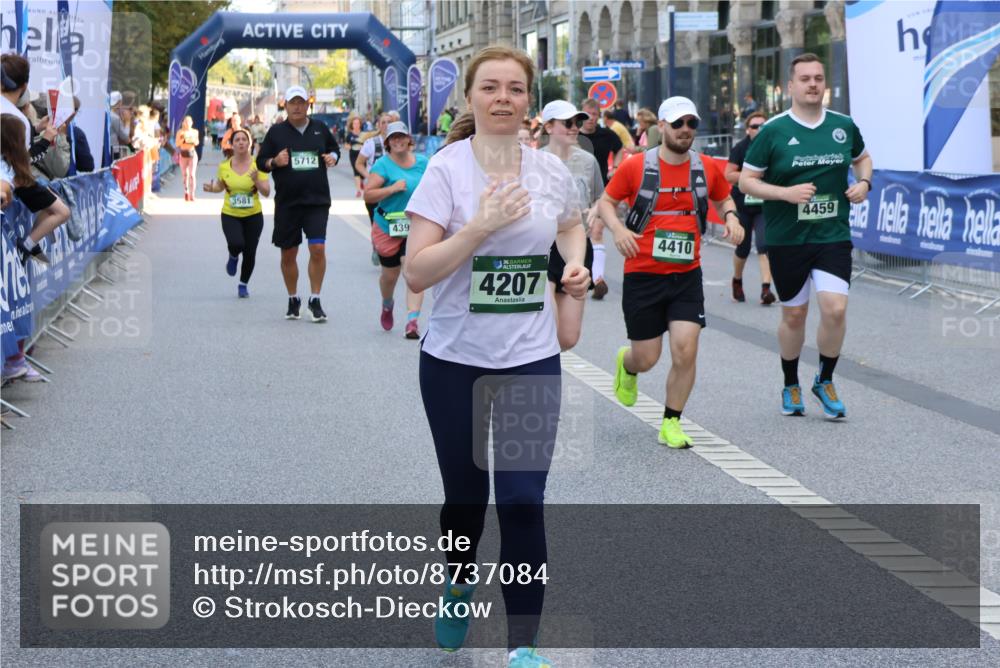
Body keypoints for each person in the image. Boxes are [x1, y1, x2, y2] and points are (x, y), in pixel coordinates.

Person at [403, 46, 588, 668]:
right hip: (454, 361)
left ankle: (523, 648)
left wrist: (575, 268)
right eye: (491, 87)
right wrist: (478, 227)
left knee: (521, 500)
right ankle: (458, 581)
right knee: (465, 497)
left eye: (514, 87)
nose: (503, 97)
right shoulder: (445, 171)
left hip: (530, 359)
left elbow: (569, 225)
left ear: (528, 100)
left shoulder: (551, 172)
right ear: (471, 99)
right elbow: (417, 273)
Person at [597, 96, 743, 448]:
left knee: (685, 349)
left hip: (685, 275)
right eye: (677, 124)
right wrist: (618, 230)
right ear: (660, 126)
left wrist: (731, 217)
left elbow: (723, 197)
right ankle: (628, 365)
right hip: (643, 274)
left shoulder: (706, 166)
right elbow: (605, 203)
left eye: (691, 123)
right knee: (648, 357)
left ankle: (671, 423)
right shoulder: (636, 167)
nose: (685, 130)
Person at [739, 53, 872, 420]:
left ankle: (825, 379)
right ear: (791, 86)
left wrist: (864, 183)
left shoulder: (843, 125)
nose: (813, 84)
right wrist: (785, 194)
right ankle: (790, 382)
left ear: (824, 84)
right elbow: (746, 180)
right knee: (794, 315)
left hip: (832, 235)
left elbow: (862, 159)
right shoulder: (774, 131)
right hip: (787, 238)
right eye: (805, 78)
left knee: (835, 308)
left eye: (818, 78)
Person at [256, 85, 340, 322]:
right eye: (292, 102)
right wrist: (275, 161)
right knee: (288, 254)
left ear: (307, 104)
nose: (296, 106)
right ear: (285, 105)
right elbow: (261, 161)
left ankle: (315, 299)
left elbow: (334, 149)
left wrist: (332, 157)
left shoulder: (320, 129)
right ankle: (293, 298)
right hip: (288, 203)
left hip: (317, 201)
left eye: (301, 102)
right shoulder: (276, 132)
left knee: (318, 248)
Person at [0, 114, 70, 382]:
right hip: (12, 239)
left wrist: (44, 139)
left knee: (16, 302)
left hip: (13, 237)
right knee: (61, 211)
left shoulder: (15, 163)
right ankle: (27, 244)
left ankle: (16, 358)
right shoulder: (10, 168)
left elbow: (28, 157)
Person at [540, 99, 605, 349]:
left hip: (577, 247)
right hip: (543, 248)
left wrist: (596, 211)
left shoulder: (588, 161)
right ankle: (537, 381)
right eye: (567, 123)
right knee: (547, 327)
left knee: (567, 337)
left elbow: (601, 196)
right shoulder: (535, 161)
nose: (574, 127)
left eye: (577, 122)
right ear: (548, 127)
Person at [363, 121, 428, 338]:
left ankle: (412, 321)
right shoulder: (383, 165)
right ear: (388, 142)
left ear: (409, 139)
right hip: (387, 226)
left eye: (401, 136)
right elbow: (368, 195)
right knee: (389, 276)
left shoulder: (423, 163)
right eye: (393, 138)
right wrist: (392, 188)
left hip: (415, 226)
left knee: (412, 271)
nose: (398, 141)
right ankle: (387, 304)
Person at [203, 128, 270, 298]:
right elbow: (221, 185)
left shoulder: (258, 165)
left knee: (250, 251)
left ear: (249, 143)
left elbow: (267, 192)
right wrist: (212, 189)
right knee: (236, 243)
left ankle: (243, 284)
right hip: (230, 213)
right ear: (231, 145)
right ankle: (233, 256)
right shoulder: (224, 166)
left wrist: (256, 179)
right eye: (237, 140)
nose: (240, 142)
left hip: (253, 215)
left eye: (244, 139)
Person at [726, 110, 775, 304]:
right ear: (748, 130)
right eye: (755, 126)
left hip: (764, 204)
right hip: (742, 204)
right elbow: (728, 174)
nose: (760, 129)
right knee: (743, 248)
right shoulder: (740, 148)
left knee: (764, 245)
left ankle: (766, 289)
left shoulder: (773, 147)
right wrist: (750, 177)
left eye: (763, 125)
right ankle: (737, 280)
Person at [577, 98, 622, 299]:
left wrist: (616, 168)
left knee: (596, 231)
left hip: (602, 192)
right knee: (577, 233)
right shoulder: (574, 135)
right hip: (576, 192)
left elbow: (620, 149)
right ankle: (576, 272)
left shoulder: (607, 135)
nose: (591, 119)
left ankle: (598, 280)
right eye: (588, 115)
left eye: (595, 115)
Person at [356, 113, 392, 265]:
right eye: (383, 122)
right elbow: (359, 163)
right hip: (375, 191)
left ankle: (394, 250)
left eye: (389, 122)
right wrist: (369, 176)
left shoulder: (400, 142)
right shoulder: (371, 143)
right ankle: (377, 247)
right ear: (378, 125)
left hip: (394, 191)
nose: (386, 125)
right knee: (377, 222)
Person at [175, 115, 200, 201]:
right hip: (183, 155)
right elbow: (177, 144)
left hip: (192, 154)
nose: (187, 123)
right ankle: (186, 191)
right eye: (186, 121)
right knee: (185, 175)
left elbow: (197, 142)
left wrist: (192, 140)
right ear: (183, 123)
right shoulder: (180, 132)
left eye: (189, 121)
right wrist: (183, 139)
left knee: (192, 175)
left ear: (192, 123)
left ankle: (192, 194)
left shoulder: (195, 131)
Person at [345, 115, 365, 197]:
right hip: (353, 155)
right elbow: (346, 145)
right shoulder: (349, 135)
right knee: (356, 171)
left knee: (362, 172)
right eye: (354, 124)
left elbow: (368, 143)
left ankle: (362, 181)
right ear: (352, 125)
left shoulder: (363, 134)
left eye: (357, 123)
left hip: (363, 155)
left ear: (360, 124)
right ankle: (358, 190)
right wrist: (349, 147)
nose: (356, 125)